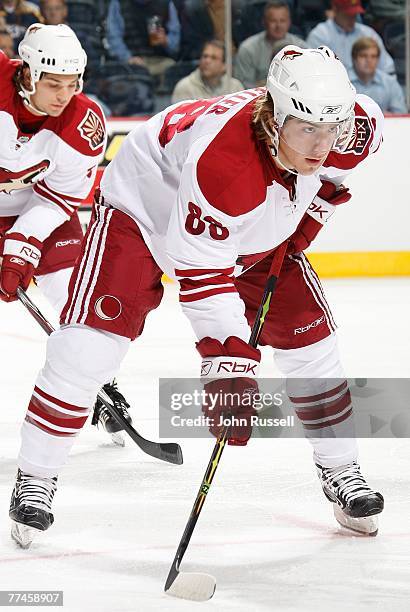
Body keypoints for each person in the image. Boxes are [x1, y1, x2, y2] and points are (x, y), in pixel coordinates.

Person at [9, 45, 385, 548]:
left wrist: (310, 214)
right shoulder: (225, 165)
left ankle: (342, 471)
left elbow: (335, 169)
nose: (321, 145)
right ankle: (35, 478)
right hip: (142, 212)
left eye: (331, 129)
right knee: (86, 350)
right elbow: (204, 275)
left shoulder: (347, 128)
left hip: (244, 226)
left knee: (313, 345)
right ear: (274, 120)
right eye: (308, 130)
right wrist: (228, 369)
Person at [0, 23, 135, 547]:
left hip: (38, 213)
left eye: (73, 82)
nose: (65, 95)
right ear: (27, 72)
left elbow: (60, 197)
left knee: (80, 303)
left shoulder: (85, 121)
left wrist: (20, 247)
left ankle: (96, 382)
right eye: (53, 83)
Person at [306, 0, 396, 75]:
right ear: (335, 10)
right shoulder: (320, 35)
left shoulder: (368, 33)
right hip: (335, 90)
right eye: (347, 14)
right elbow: (314, 71)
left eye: (354, 14)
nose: (351, 18)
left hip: (369, 89)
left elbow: (387, 68)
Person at [234, 0, 306, 88]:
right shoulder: (248, 49)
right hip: (259, 98)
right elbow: (242, 85)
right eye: (273, 21)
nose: (278, 25)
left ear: (289, 22)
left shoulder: (301, 48)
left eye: (282, 20)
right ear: (264, 22)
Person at [106, 0, 180, 82]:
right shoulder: (119, 3)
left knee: (171, 66)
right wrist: (128, 58)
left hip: (160, 61)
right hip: (131, 63)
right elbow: (114, 38)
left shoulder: (166, 3)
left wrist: (166, 41)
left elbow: (175, 43)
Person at [172, 39, 243, 103]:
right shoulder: (184, 87)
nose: (207, 61)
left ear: (224, 65)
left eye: (213, 58)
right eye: (205, 56)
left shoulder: (235, 87)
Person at [350, 37, 406, 114]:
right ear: (354, 58)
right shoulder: (342, 82)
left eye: (373, 56)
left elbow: (401, 116)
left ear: (378, 59)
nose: (369, 60)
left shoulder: (390, 83)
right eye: (363, 56)